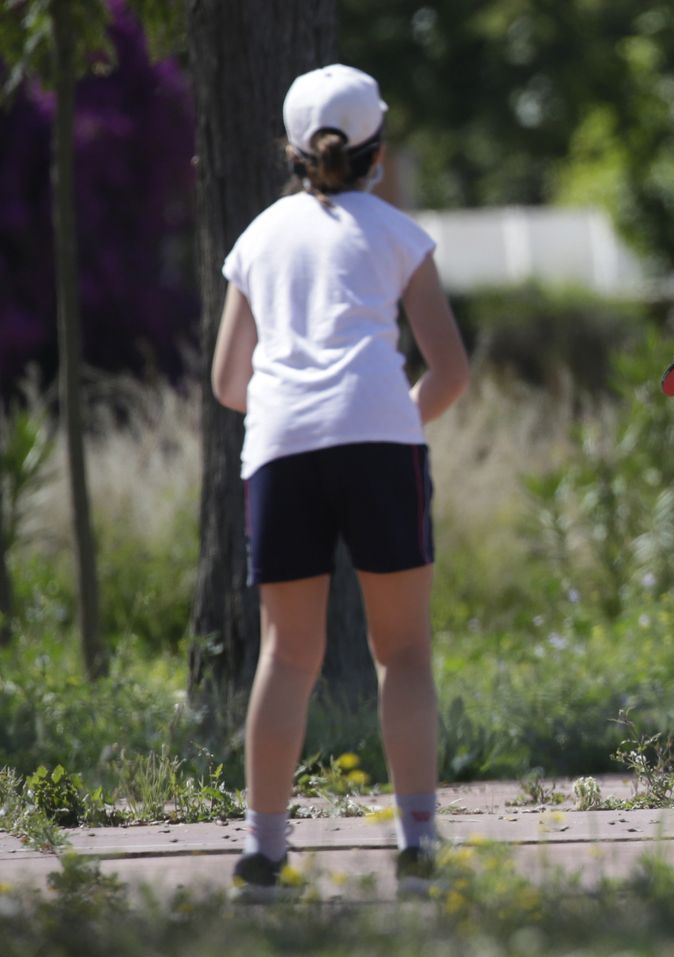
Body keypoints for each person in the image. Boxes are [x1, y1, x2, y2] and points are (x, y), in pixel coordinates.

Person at [210, 63, 469, 897]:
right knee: (404, 654)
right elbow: (450, 370)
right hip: (380, 444)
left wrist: (299, 416)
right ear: (376, 151)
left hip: (281, 444)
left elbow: (227, 384)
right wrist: (386, 421)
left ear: (290, 149)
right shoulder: (397, 231)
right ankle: (419, 847)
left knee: (287, 655)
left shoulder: (257, 237)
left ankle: (264, 851)